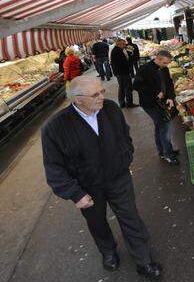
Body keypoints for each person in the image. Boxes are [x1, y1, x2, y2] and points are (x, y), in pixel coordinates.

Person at [41, 77, 162, 279]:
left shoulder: (111, 109)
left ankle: (144, 260)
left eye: (102, 91)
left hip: (118, 177)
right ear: (78, 99)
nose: (102, 97)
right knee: (97, 222)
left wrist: (126, 156)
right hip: (87, 187)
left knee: (130, 217)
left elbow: (125, 135)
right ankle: (108, 251)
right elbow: (54, 168)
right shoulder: (55, 127)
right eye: (95, 94)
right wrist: (75, 194)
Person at [133, 50, 179, 165]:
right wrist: (155, 92)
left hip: (162, 103)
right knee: (164, 126)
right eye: (164, 62)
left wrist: (170, 97)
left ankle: (163, 151)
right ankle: (168, 154)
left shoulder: (164, 69)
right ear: (157, 59)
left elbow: (169, 84)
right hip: (150, 104)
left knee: (160, 126)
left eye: (167, 63)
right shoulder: (144, 69)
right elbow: (136, 85)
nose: (166, 65)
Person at [110, 39, 138, 108]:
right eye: (123, 44)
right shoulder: (118, 51)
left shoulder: (117, 50)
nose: (125, 45)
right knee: (128, 88)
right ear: (119, 44)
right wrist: (130, 54)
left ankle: (122, 103)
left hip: (119, 72)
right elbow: (124, 63)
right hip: (123, 72)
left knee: (122, 87)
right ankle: (129, 103)